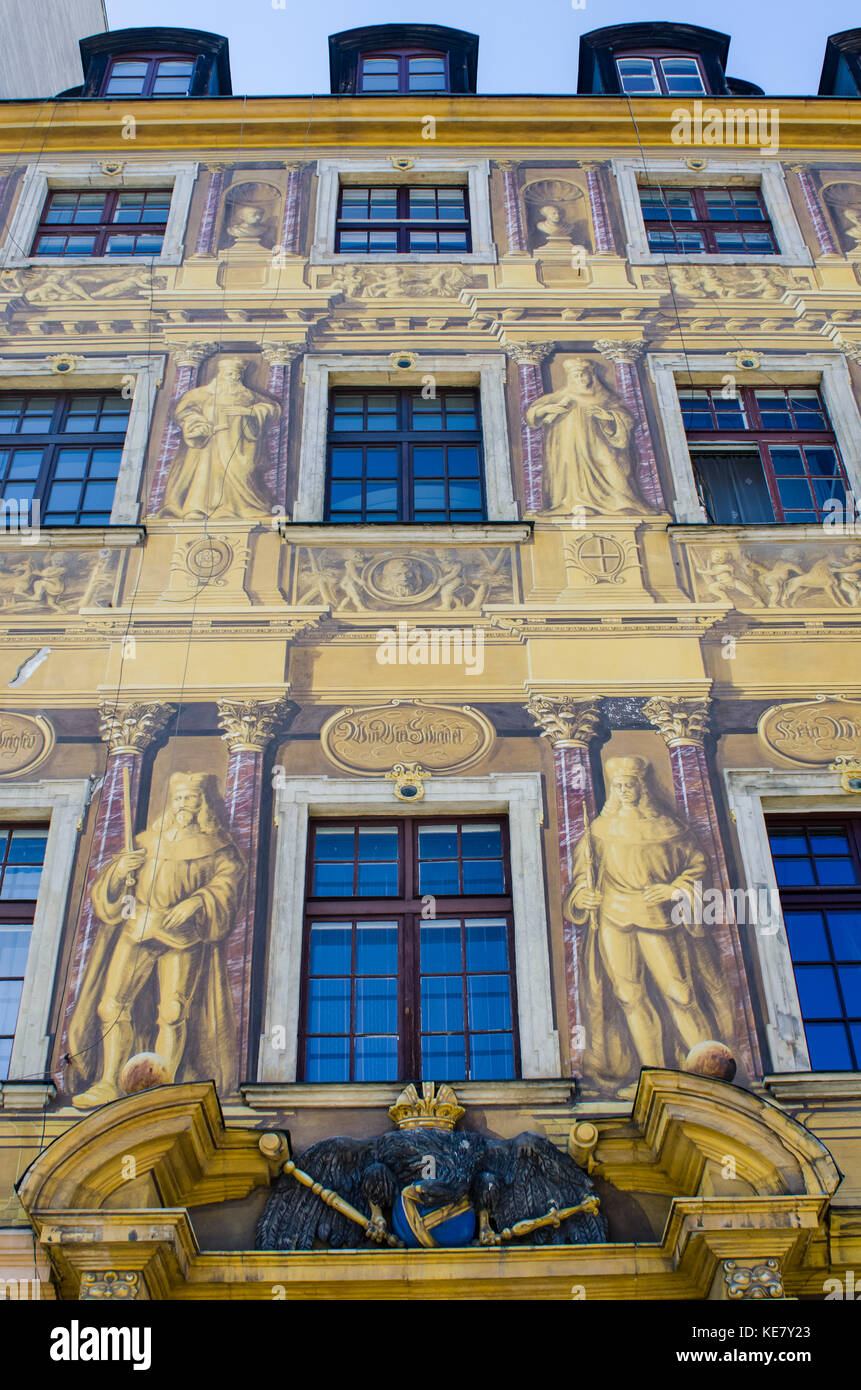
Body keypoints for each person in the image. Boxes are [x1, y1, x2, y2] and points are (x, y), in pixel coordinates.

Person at [68, 772, 246, 1108]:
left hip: (182, 935)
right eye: (178, 798)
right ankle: (108, 1082)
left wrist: (198, 900)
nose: (183, 805)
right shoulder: (146, 842)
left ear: (202, 804)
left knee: (173, 1010)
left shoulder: (217, 847)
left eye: (190, 798)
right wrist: (122, 870)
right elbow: (106, 894)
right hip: (137, 927)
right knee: (111, 1006)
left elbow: (229, 883)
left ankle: (161, 1087)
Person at [564, 756, 734, 1097]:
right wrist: (583, 897)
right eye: (619, 786)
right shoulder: (599, 830)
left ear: (642, 787)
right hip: (613, 916)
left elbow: (697, 866)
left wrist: (674, 889)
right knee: (629, 996)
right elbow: (584, 876)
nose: (625, 791)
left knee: (679, 992)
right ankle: (652, 1078)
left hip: (656, 915)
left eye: (630, 785)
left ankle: (706, 1074)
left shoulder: (669, 828)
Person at [525, 357, 652, 515]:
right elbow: (531, 415)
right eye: (576, 376)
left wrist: (608, 416)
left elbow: (626, 417)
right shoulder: (562, 396)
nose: (579, 378)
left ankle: (622, 503)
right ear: (570, 378)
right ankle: (574, 503)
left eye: (582, 374)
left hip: (599, 443)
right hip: (570, 444)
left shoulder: (605, 397)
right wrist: (547, 409)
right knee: (571, 473)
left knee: (611, 466)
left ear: (591, 376)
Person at [159, 355, 279, 519]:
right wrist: (197, 423)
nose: (235, 378)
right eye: (230, 374)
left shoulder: (249, 396)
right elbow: (184, 411)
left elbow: (273, 409)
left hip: (239, 446)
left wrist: (249, 411)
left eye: (238, 375)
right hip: (209, 444)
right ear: (221, 375)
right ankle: (197, 509)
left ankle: (237, 509)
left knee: (242, 473)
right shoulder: (202, 394)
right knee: (205, 475)